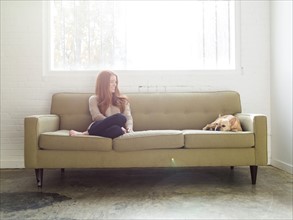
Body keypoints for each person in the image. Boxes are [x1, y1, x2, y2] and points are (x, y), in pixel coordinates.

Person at [69, 70, 133, 138]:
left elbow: (128, 117)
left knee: (118, 129)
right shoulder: (94, 99)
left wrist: (129, 129)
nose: (115, 84)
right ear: (103, 84)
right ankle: (89, 132)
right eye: (111, 82)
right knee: (120, 118)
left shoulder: (123, 100)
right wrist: (113, 121)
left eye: (115, 82)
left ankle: (87, 133)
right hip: (98, 126)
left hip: (115, 128)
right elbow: (96, 117)